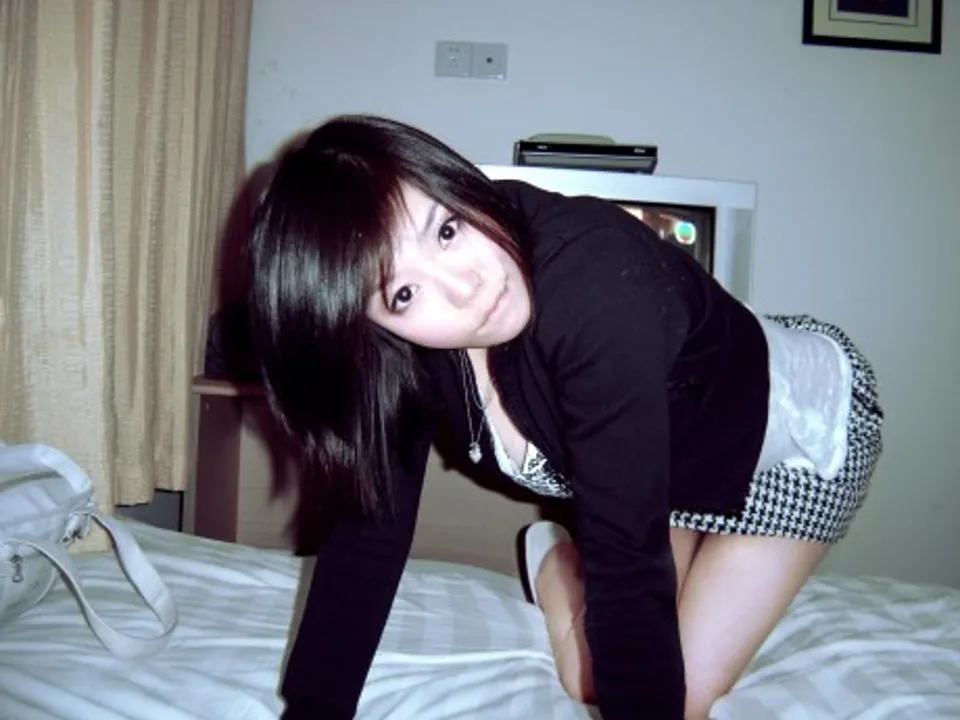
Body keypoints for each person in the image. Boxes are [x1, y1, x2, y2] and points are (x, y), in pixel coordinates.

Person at [247, 114, 884, 720]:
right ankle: (561, 564)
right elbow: (368, 532)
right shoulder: (402, 355)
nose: (467, 286)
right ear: (368, 327)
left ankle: (565, 564)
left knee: (677, 693)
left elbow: (628, 571)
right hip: (669, 452)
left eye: (447, 231)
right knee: (593, 676)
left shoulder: (595, 286)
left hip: (797, 439)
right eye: (404, 294)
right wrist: (313, 710)